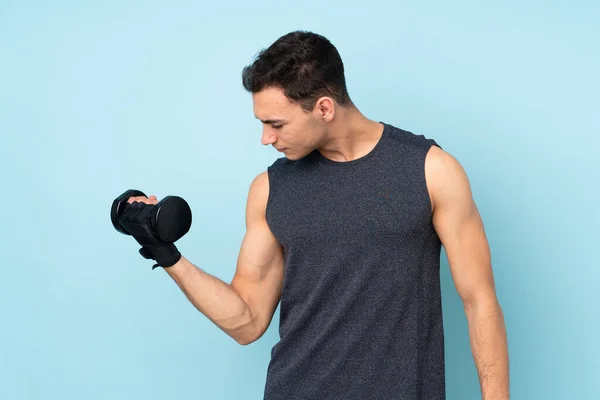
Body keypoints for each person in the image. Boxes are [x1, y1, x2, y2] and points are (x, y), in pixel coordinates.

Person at [121, 31, 509, 399]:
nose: (266, 138)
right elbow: (247, 321)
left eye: (276, 123)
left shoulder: (430, 171)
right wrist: (164, 252)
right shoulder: (270, 189)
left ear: (324, 107)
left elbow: (480, 302)